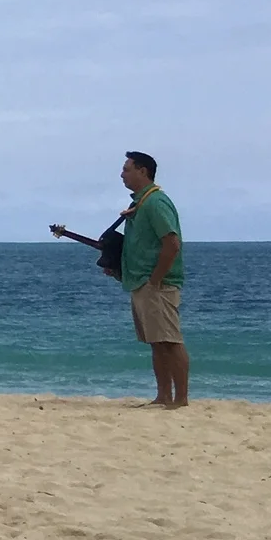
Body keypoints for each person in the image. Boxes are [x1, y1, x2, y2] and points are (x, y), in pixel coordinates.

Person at [55, 152, 186, 408]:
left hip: (155, 283)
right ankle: (163, 397)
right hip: (139, 281)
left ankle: (180, 399)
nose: (122, 174)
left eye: (127, 169)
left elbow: (172, 244)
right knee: (156, 342)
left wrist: (156, 279)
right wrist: (120, 267)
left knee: (170, 340)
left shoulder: (156, 203)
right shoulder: (140, 204)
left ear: (143, 171)